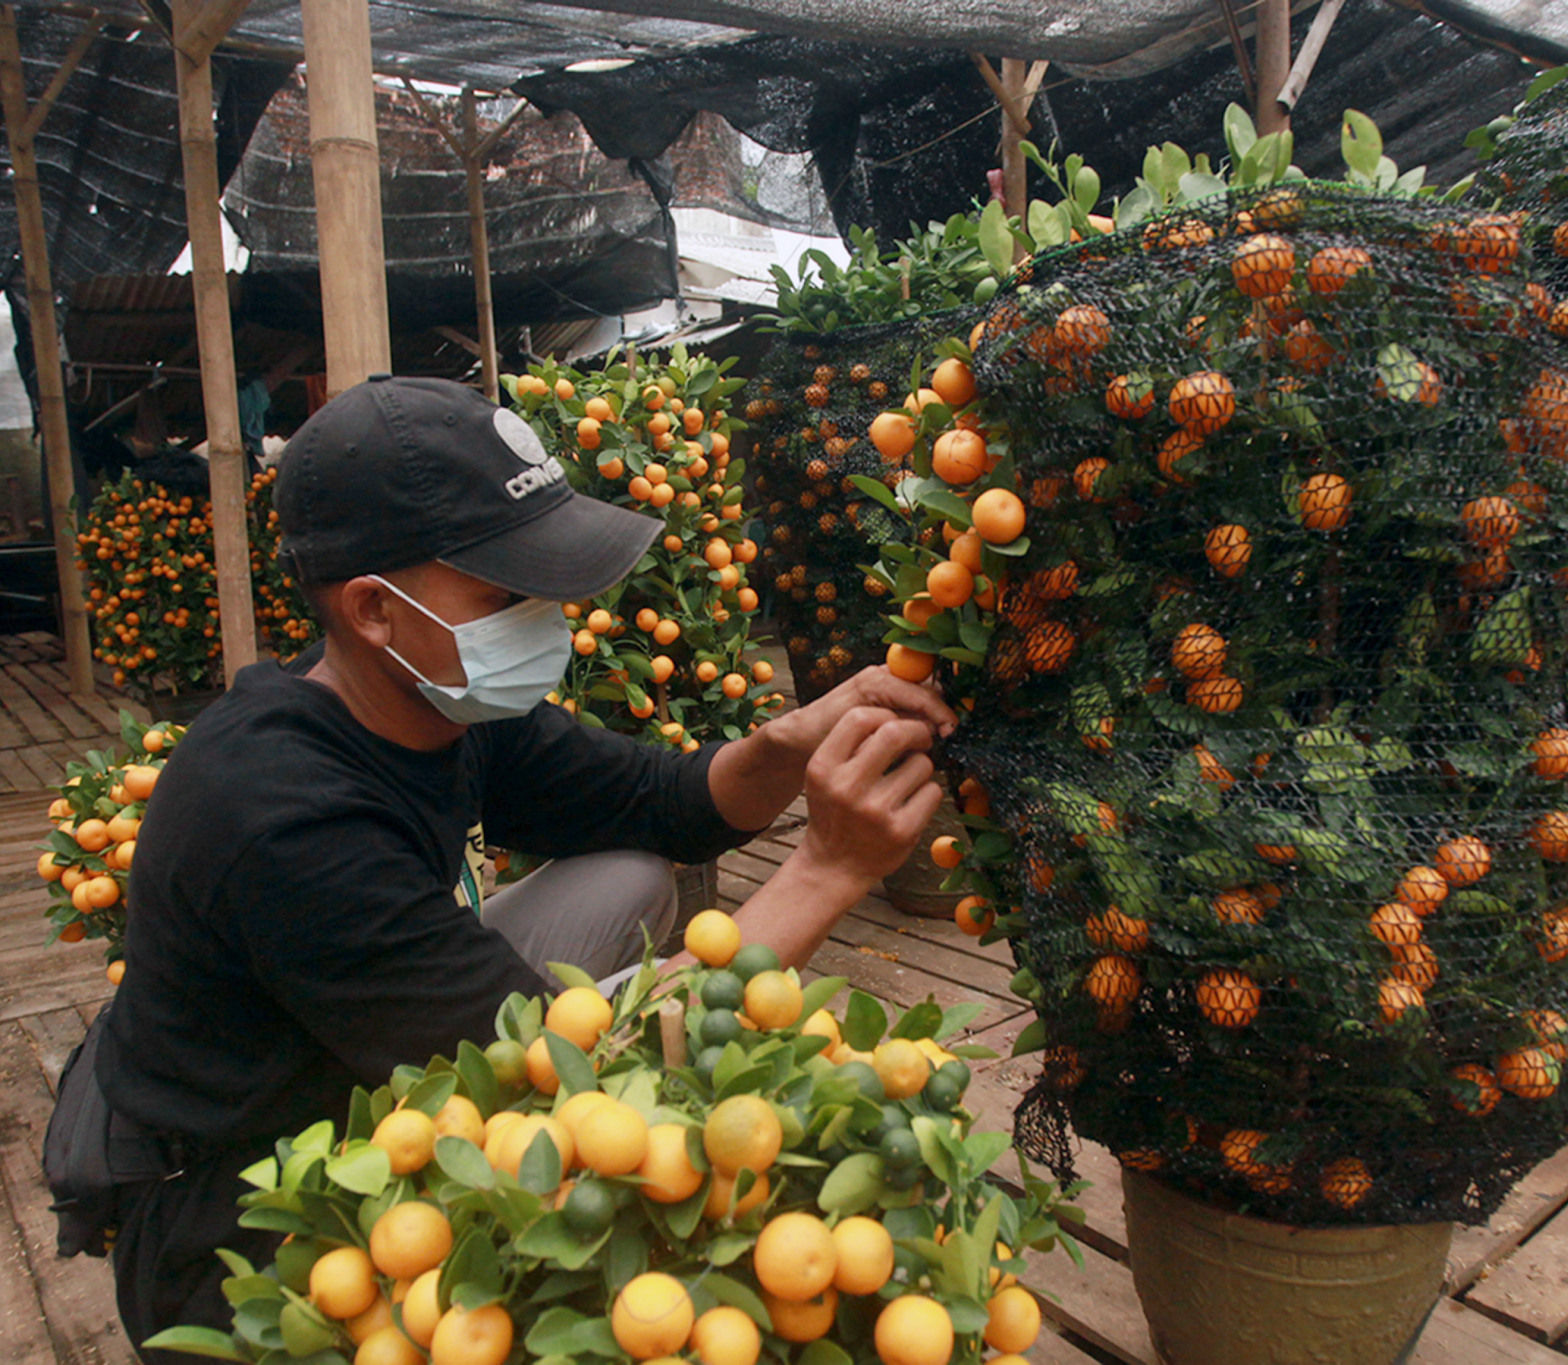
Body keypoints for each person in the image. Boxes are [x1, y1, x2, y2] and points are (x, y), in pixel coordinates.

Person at [92, 375, 952, 1360]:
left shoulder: (434, 699)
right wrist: (829, 870)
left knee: (632, 872)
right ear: (374, 609)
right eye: (505, 590)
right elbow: (567, 1086)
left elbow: (664, 804)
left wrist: (792, 742)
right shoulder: (280, 819)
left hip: (362, 1048)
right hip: (241, 1196)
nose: (548, 612)